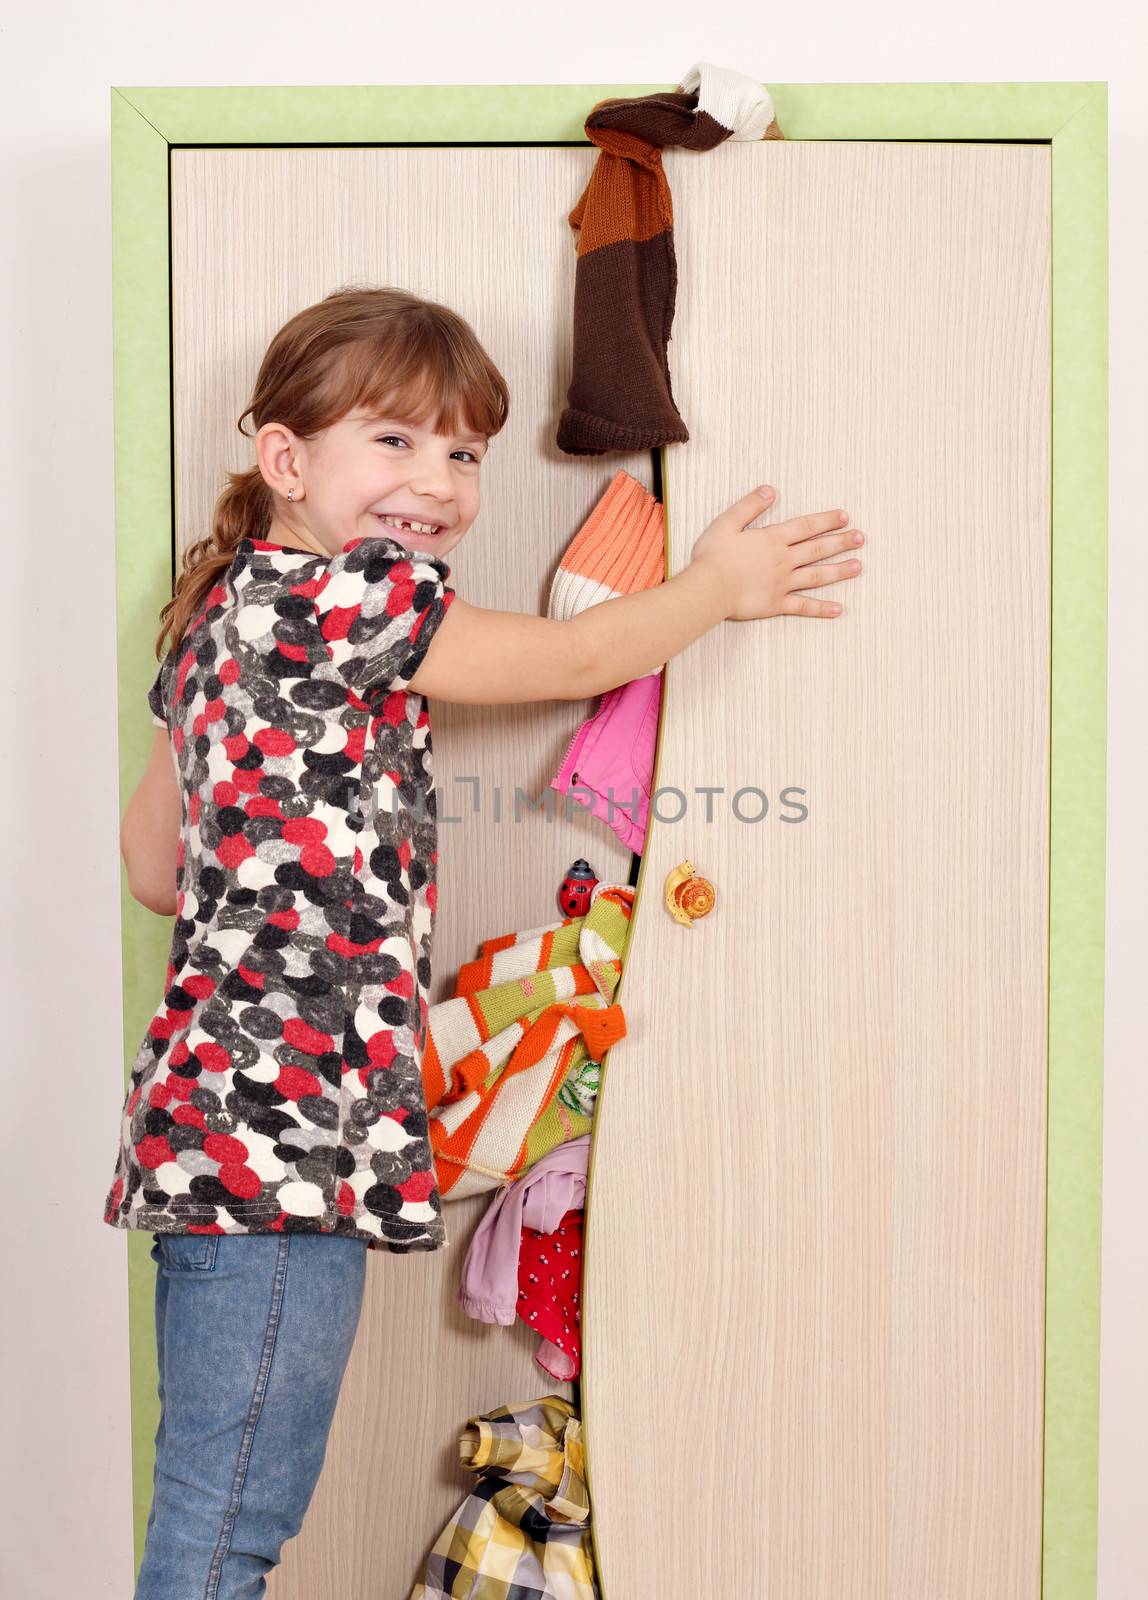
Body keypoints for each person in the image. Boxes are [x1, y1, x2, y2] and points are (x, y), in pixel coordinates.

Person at [108, 284, 864, 1597]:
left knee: (213, 1512)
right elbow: (571, 662)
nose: (438, 481)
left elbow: (153, 867)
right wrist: (715, 589)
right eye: (393, 442)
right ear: (286, 461)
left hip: (204, 1131)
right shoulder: (355, 599)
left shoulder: (222, 610)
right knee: (223, 1533)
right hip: (285, 1145)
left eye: (463, 452)